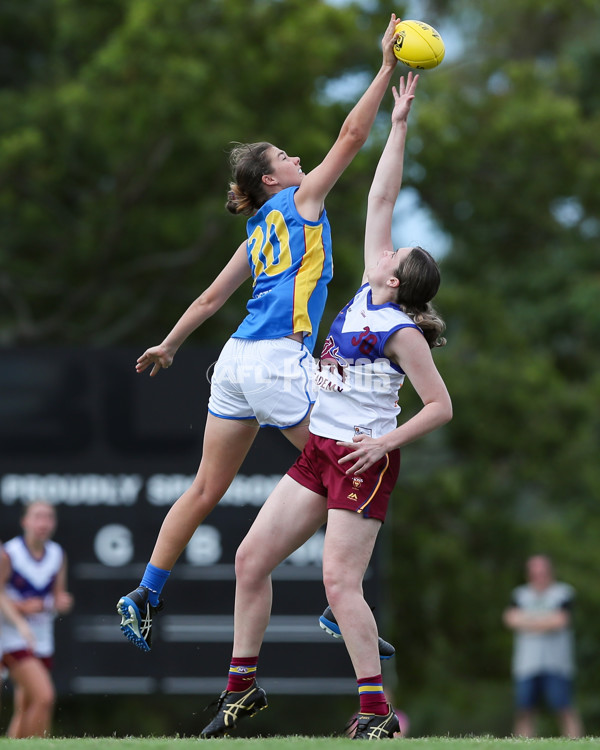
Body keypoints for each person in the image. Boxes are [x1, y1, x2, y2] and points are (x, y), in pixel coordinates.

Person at [117, 14, 403, 653]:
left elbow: (214, 296)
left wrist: (169, 343)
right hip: (277, 362)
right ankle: (341, 603)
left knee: (205, 487)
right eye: (286, 158)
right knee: (344, 466)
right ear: (273, 180)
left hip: (235, 361)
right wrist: (383, 68)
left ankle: (144, 592)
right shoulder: (302, 203)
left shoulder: (257, 229)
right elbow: (353, 135)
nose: (299, 159)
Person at [200, 71, 453, 740]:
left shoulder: (399, 330)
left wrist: (386, 444)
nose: (387, 243)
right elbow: (383, 193)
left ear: (395, 278)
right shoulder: (374, 289)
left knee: (341, 588)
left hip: (363, 461)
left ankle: (376, 713)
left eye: (395, 252)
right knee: (251, 561)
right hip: (321, 453)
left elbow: (440, 407)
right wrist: (398, 125)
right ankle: (241, 691)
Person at [0, 501, 74, 738]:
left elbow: (56, 599)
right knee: (45, 697)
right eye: (38, 516)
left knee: (25, 706)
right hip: (13, 638)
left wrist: (59, 603)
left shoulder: (57, 554)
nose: (43, 523)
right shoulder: (9, 554)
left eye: (49, 517)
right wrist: (21, 614)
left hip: (42, 639)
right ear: (25, 521)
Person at [502, 554, 583, 738]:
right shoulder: (520, 594)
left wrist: (527, 621)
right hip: (527, 663)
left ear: (550, 572)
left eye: (542, 572)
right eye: (534, 572)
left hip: (557, 663)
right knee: (525, 710)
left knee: (564, 707)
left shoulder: (563, 593)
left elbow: (561, 621)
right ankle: (522, 745)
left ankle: (576, 743)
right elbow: (509, 619)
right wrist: (545, 622)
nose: (539, 576)